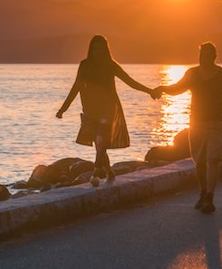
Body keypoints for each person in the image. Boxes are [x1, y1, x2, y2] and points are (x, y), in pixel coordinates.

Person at [56, 35, 158, 187]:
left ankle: (96, 171)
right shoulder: (85, 65)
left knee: (101, 138)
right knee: (99, 143)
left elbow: (129, 81)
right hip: (91, 108)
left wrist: (149, 91)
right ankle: (109, 170)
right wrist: (63, 109)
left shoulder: (111, 65)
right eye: (95, 48)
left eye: (100, 49)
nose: (97, 52)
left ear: (105, 50)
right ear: (91, 50)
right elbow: (76, 87)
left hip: (108, 107)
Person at [154, 42, 222, 214]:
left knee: (213, 161)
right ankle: (203, 192)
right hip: (196, 124)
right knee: (200, 162)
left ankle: (210, 197)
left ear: (214, 57)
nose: (204, 58)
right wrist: (162, 88)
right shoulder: (192, 74)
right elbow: (177, 89)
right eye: (202, 55)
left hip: (217, 124)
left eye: (208, 55)